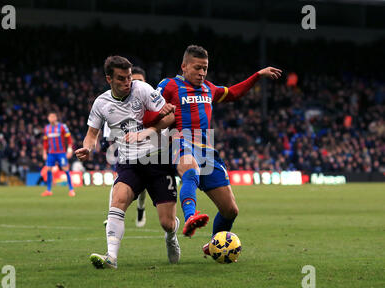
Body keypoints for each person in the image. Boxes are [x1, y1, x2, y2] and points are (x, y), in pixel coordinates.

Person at [154, 45, 282, 256]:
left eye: (205, 68)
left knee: (230, 210)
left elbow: (232, 93)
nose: (202, 73)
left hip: (207, 149)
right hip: (180, 141)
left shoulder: (209, 88)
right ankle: (190, 216)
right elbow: (150, 107)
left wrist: (258, 75)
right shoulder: (168, 85)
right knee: (190, 170)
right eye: (197, 68)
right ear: (184, 66)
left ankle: (213, 244)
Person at [75, 56, 179, 269]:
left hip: (158, 159)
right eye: (121, 78)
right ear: (109, 79)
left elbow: (170, 118)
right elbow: (91, 134)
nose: (127, 82)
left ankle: (171, 237)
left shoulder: (142, 89)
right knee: (118, 200)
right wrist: (87, 147)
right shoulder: (101, 103)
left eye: (129, 77)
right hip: (129, 163)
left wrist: (147, 133)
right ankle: (111, 257)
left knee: (166, 223)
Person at [102, 66, 149, 228]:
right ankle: (112, 215)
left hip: (152, 154)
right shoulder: (115, 106)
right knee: (119, 182)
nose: (134, 84)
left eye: (139, 81)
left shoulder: (151, 102)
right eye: (132, 80)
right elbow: (110, 133)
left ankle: (141, 208)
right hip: (127, 154)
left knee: (143, 190)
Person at [41, 111, 75, 197]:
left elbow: (69, 138)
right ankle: (48, 190)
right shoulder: (47, 128)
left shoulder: (62, 126)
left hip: (61, 153)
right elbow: (45, 142)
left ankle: (71, 190)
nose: (51, 118)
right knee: (48, 169)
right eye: (50, 117)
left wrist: (70, 150)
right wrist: (44, 152)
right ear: (48, 118)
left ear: (56, 118)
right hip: (51, 153)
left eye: (53, 117)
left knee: (65, 169)